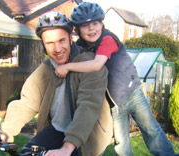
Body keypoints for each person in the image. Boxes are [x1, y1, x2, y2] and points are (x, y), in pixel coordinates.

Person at [55, 2, 176, 156]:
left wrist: (67, 67)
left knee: (150, 129)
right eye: (85, 26)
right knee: (121, 141)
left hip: (132, 94)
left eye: (95, 23)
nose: (91, 28)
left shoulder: (108, 39)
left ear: (102, 24)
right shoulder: (82, 46)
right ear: (77, 30)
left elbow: (97, 65)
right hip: (114, 103)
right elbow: (71, 54)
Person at [0, 11, 113, 156]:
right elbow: (27, 102)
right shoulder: (46, 69)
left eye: (61, 40)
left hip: (87, 134)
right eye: (50, 43)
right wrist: (4, 131)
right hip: (57, 129)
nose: (58, 49)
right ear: (43, 45)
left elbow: (88, 108)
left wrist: (66, 149)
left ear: (70, 40)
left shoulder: (89, 64)